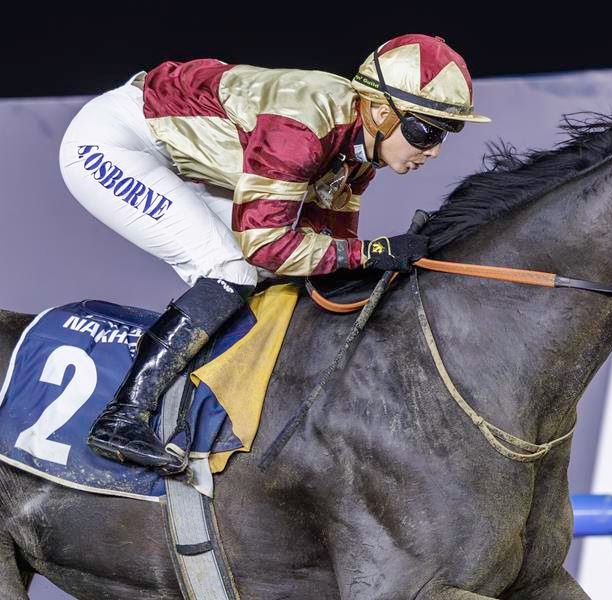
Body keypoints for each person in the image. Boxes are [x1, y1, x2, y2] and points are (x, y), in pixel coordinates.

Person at [58, 33, 491, 474]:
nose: (435, 150)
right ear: (381, 112)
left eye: (445, 133)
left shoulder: (359, 156)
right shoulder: (301, 128)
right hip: (114, 142)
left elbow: (326, 247)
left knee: (267, 273)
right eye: (426, 131)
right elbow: (267, 246)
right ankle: (122, 416)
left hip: (185, 157)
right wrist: (372, 253)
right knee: (233, 267)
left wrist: (375, 261)